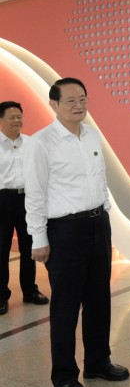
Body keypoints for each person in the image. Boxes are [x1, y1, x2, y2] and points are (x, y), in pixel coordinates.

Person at [25, 78, 128, 387]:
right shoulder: (41, 143)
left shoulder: (91, 134)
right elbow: (35, 194)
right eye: (70, 100)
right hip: (65, 231)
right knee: (67, 305)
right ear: (53, 105)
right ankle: (65, 376)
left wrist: (106, 212)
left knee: (99, 299)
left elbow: (99, 178)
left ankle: (98, 362)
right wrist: (38, 239)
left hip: (98, 225)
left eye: (82, 99)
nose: (78, 106)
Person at [1, 101, 49, 315]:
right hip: (2, 200)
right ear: (1, 120)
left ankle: (30, 291)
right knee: (1, 249)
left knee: (29, 246)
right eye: (11, 117)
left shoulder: (32, 143)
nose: (17, 120)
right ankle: (1, 296)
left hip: (27, 199)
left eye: (19, 116)